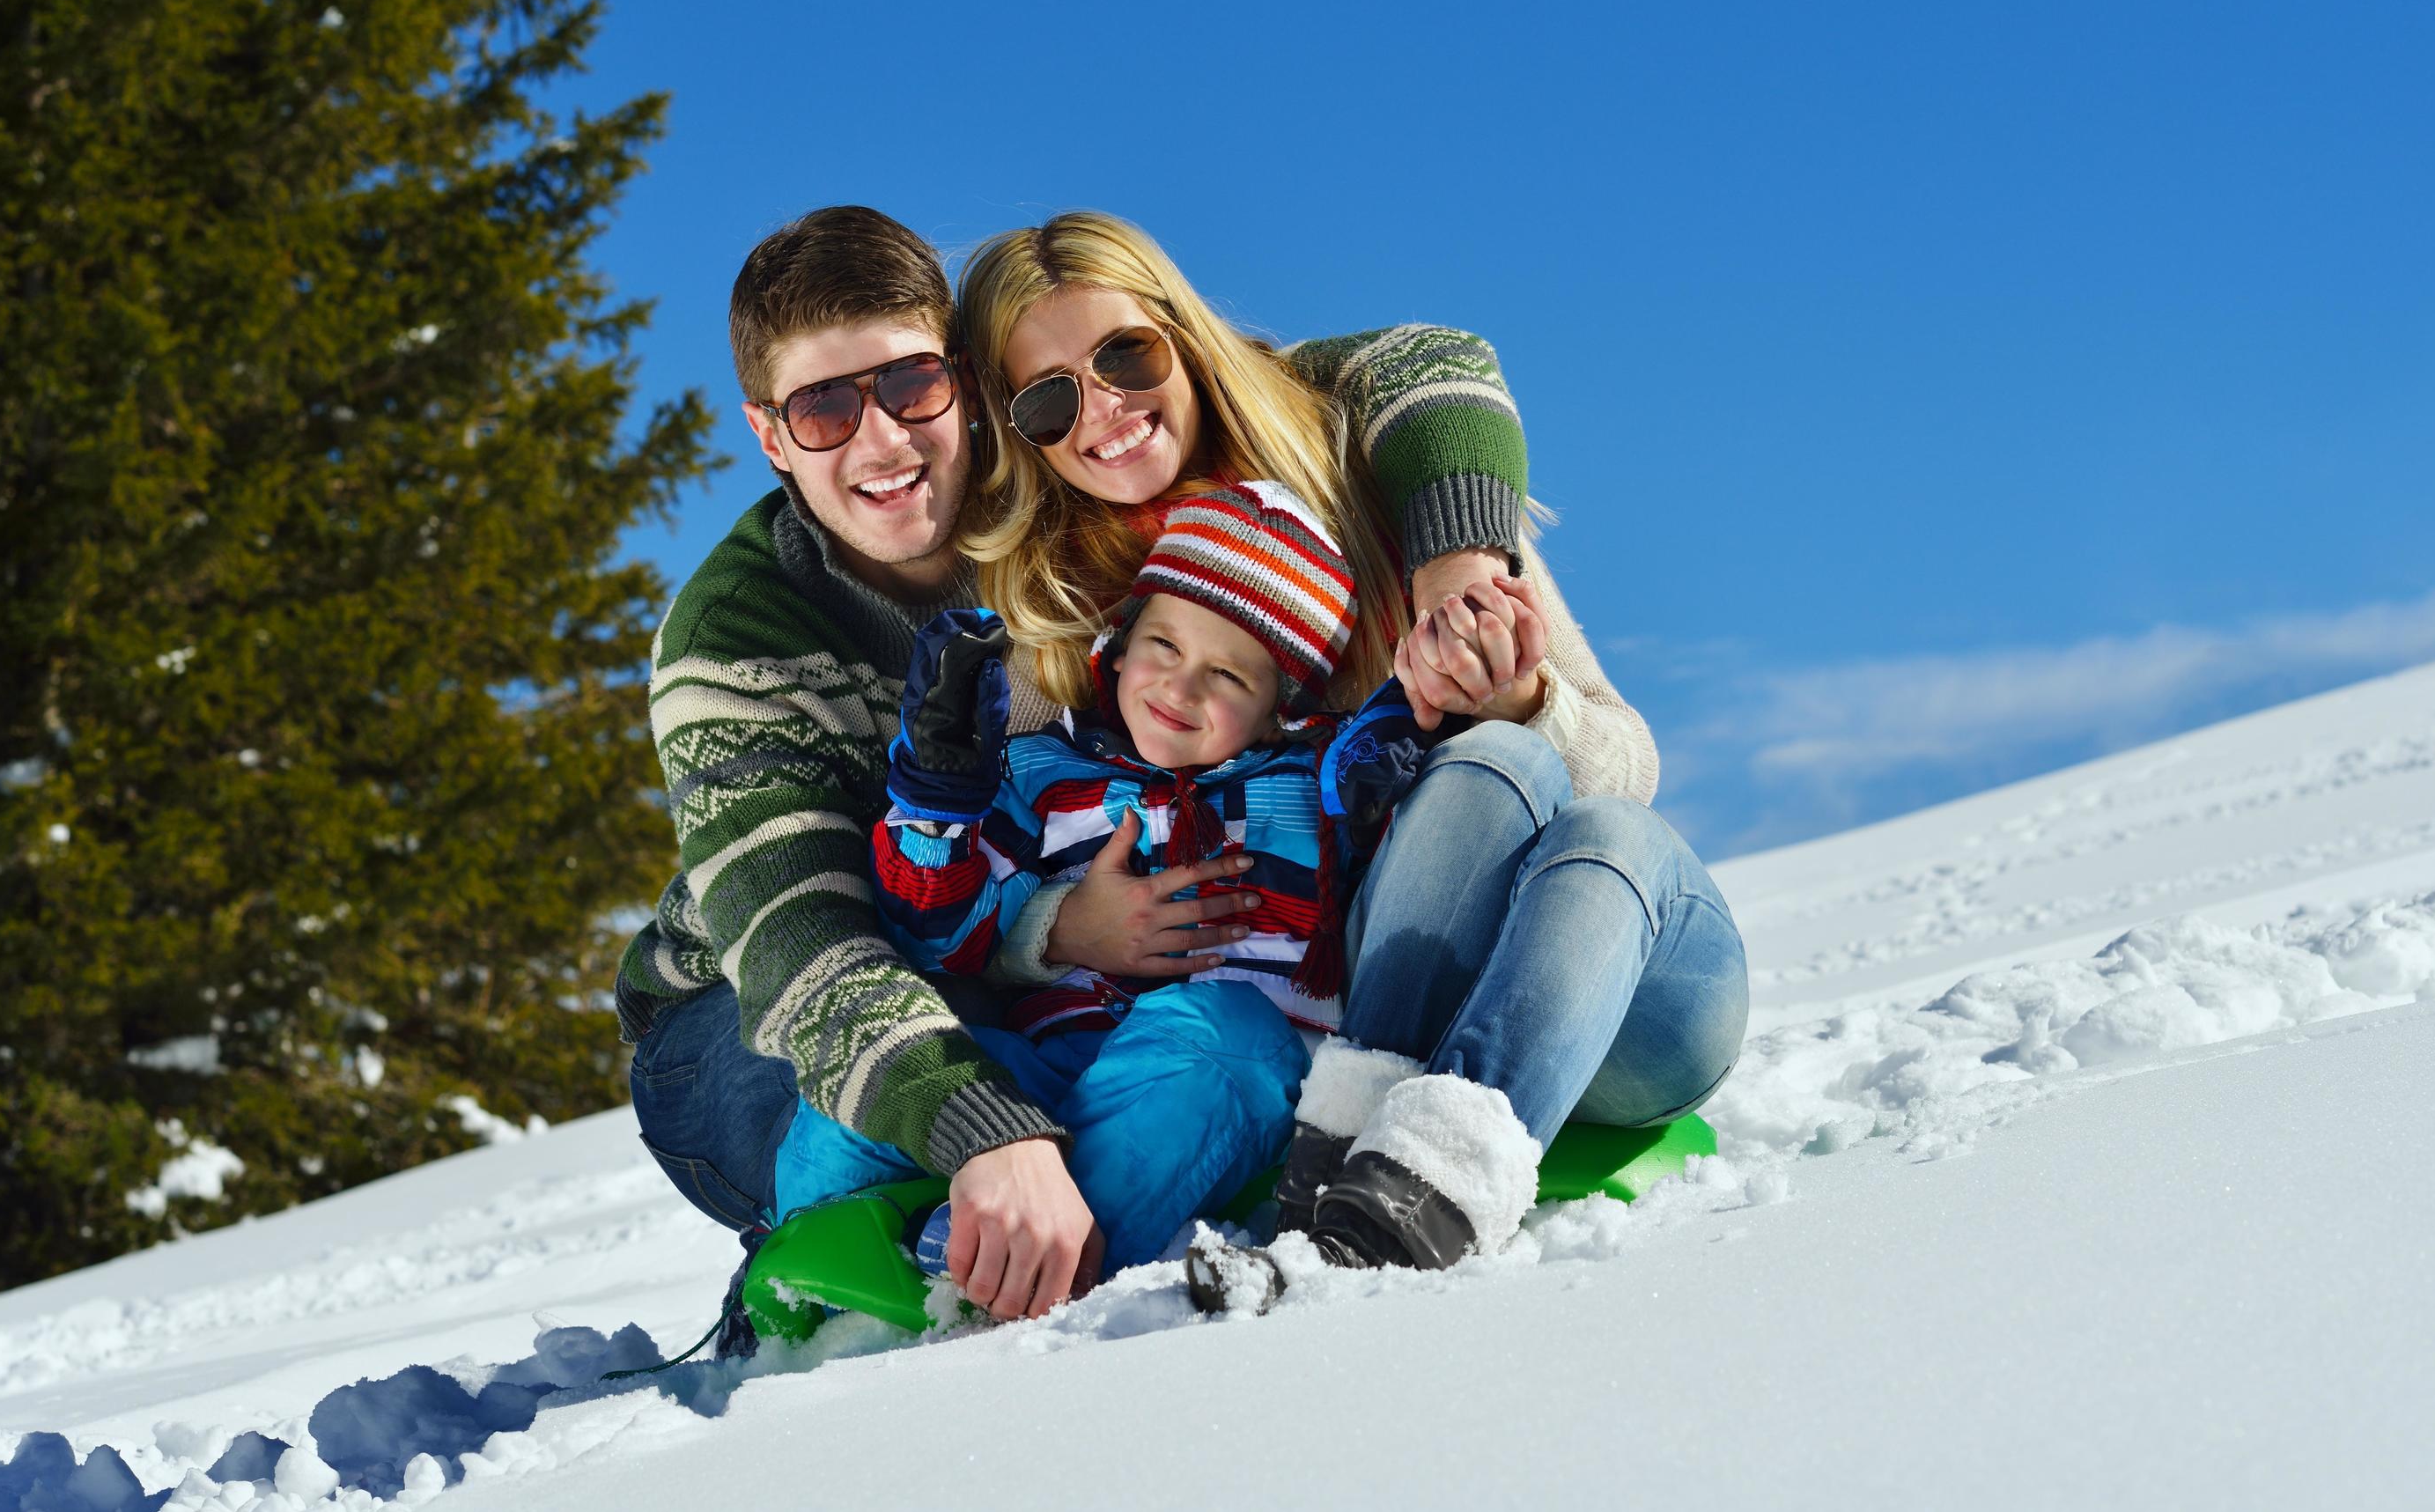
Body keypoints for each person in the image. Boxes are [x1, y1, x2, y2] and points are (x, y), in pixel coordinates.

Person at [613, 207, 1551, 1333]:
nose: (883, 442)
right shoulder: (738, 631)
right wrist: (988, 1116)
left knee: (1210, 1064)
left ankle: (1054, 1230)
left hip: (1017, 968)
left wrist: (1459, 578)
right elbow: (801, 950)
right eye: (824, 407)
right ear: (772, 436)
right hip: (745, 1008)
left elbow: (1418, 363)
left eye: (909, 385)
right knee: (848, 1119)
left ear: (963, 382)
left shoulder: (1060, 471)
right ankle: (834, 1299)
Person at [953, 214, 1750, 1298]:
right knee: (1491, 780)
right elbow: (980, 871)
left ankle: (1422, 1153)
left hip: (1600, 991)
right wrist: (1059, 930)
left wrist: (1513, 695)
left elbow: (1623, 767)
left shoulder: (1384, 505)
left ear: (1185, 337)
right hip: (1359, 1016)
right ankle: (1380, 1170)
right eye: (1047, 399)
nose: (1102, 411)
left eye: (1126, 355)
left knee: (1548, 794)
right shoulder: (1055, 628)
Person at [792, 482, 1397, 1274]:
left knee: (1229, 1034)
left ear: (1281, 711)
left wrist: (1383, 778)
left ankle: (1044, 1257)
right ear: (1118, 640)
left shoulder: (1310, 786)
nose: (1180, 689)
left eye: (1229, 677)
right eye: (1165, 647)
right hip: (1053, 1073)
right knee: (888, 1067)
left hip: (1213, 1098)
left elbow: (1391, 866)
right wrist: (938, 801)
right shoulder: (1046, 772)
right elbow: (939, 936)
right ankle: (807, 1259)